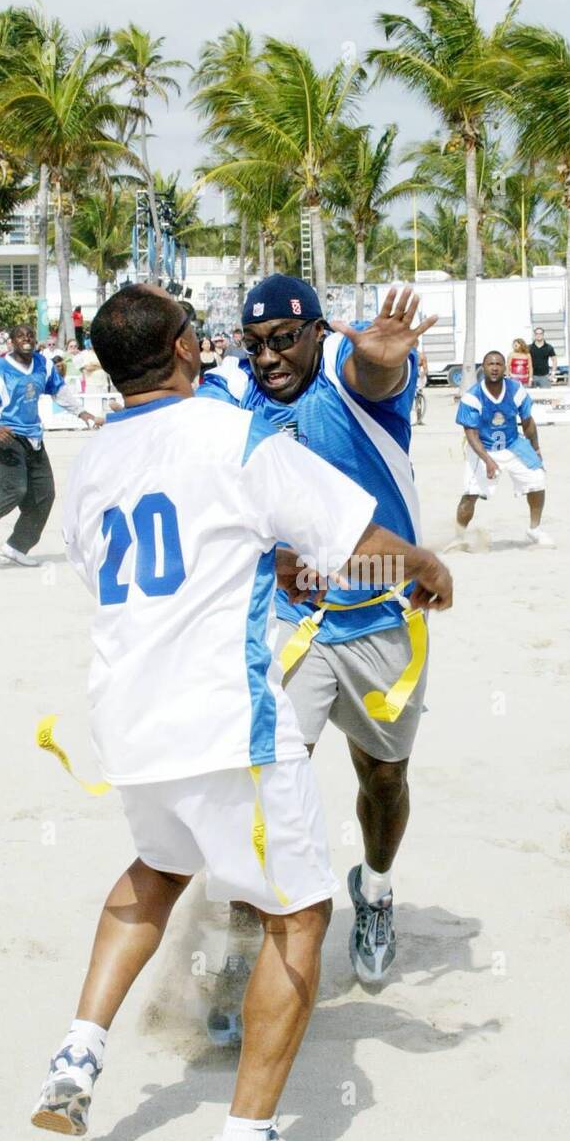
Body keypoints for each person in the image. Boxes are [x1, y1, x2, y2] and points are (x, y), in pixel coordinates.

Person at [31, 283, 452, 1141]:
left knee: (153, 872)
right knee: (300, 916)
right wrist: (423, 566)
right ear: (186, 350)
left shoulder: (96, 457)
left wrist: (264, 561)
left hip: (128, 721)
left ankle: (79, 1048)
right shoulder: (235, 435)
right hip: (229, 720)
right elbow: (356, 544)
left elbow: (121, 565)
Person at [198, 275, 437, 989]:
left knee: (384, 777)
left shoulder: (344, 369)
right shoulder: (231, 397)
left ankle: (376, 889)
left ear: (317, 333)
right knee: (263, 787)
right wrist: (272, 555)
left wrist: (384, 360)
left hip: (380, 619)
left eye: (282, 339)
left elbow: (374, 371)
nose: (268, 356)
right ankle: (241, 954)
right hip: (287, 623)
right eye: (254, 343)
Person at [0, 323, 101, 570]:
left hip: (34, 438)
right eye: (20, 335)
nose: (26, 338)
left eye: (30, 334)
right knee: (14, 491)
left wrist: (82, 412)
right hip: (6, 436)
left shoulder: (44, 365)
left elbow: (60, 391)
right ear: (11, 341)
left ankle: (16, 547)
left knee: (45, 494)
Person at [453, 350, 552, 547]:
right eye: (491, 364)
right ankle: (459, 538)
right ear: (484, 368)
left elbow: (527, 421)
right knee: (471, 493)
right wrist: (488, 461)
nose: (495, 367)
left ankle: (534, 529)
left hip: (513, 443)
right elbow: (470, 434)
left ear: (505, 368)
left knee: (537, 480)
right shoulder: (472, 396)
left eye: (499, 364)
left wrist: (536, 448)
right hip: (483, 448)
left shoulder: (516, 390)